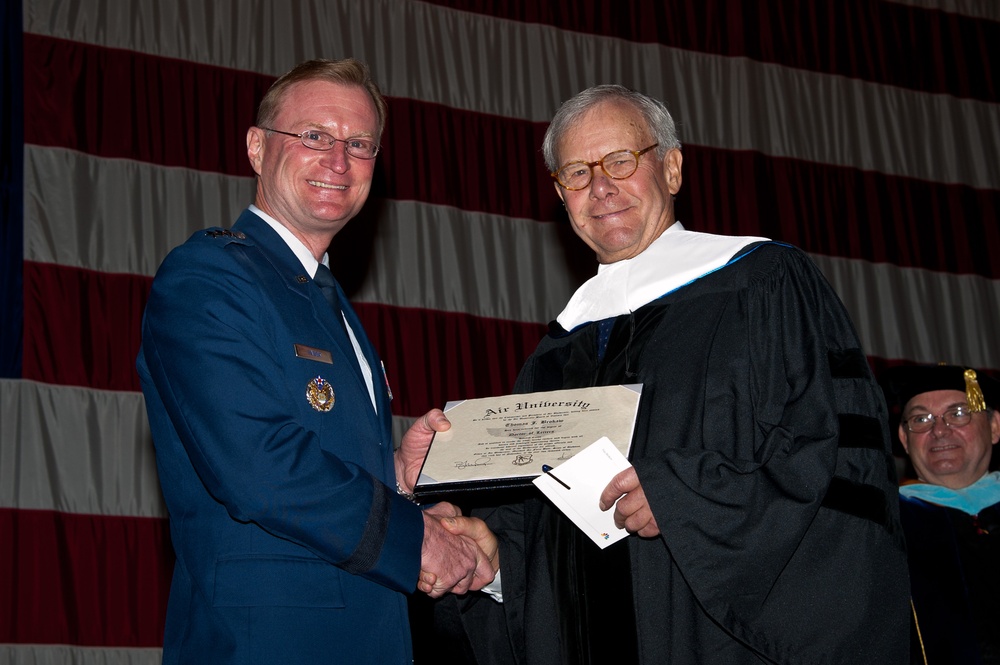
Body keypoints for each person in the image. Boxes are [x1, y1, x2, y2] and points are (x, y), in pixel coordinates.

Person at [438, 84, 911, 664]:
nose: (602, 187)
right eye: (576, 174)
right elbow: (539, 527)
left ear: (672, 168)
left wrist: (690, 503)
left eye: (620, 160)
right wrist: (496, 562)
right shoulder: (558, 352)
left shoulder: (763, 286)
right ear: (561, 196)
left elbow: (836, 461)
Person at [136, 58, 495, 664]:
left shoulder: (328, 303)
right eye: (314, 137)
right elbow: (258, 466)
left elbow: (318, 458)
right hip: (265, 644)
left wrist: (398, 479)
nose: (338, 161)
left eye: (359, 144)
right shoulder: (210, 277)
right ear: (256, 148)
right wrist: (420, 542)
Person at [880, 363, 1000, 664]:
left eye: (958, 413)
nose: (939, 430)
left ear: (994, 426)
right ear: (904, 439)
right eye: (921, 419)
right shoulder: (883, 527)